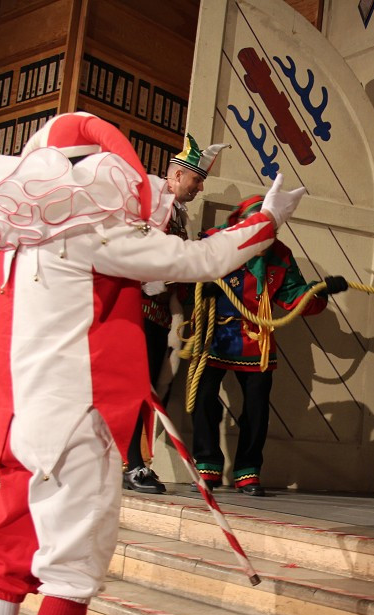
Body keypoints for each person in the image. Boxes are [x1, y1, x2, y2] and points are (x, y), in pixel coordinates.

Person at [0, 112, 306, 615]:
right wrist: (270, 218)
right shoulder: (92, 233)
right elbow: (202, 259)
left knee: (7, 559)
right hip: (77, 421)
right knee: (69, 575)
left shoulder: (8, 239)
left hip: (19, 420)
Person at [191, 195, 347, 496]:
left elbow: (295, 297)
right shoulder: (213, 240)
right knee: (203, 398)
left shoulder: (280, 255)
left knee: (257, 407)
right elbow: (179, 271)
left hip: (255, 340)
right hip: (212, 334)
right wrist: (198, 285)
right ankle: (207, 464)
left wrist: (322, 290)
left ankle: (248, 471)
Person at [122, 134, 229, 494]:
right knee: (136, 389)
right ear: (177, 175)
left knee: (151, 389)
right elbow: (146, 254)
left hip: (160, 314)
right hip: (139, 311)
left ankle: (134, 461)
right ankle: (131, 464)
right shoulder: (155, 203)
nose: (199, 188)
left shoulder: (175, 212)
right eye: (196, 180)